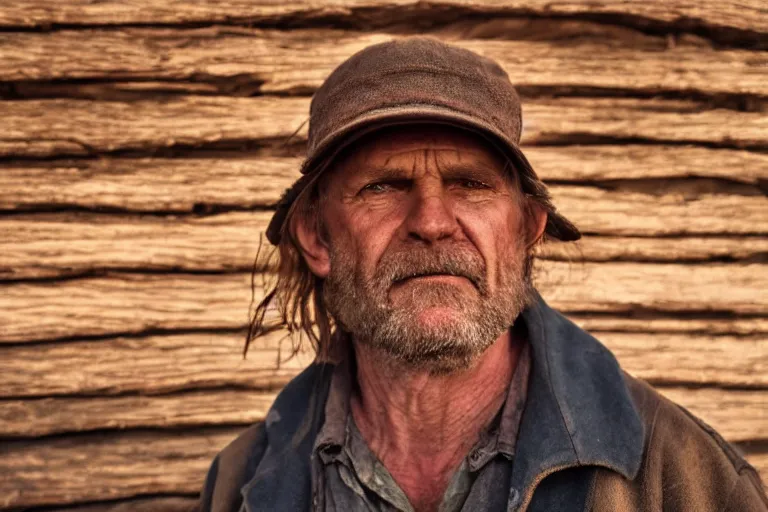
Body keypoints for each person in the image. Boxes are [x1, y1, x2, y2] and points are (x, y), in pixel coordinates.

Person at [197, 38, 767, 512]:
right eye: (383, 186)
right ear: (318, 238)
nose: (432, 222)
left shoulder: (686, 480)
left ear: (525, 231)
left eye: (471, 183)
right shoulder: (242, 488)